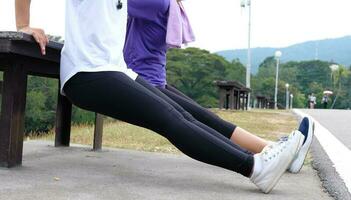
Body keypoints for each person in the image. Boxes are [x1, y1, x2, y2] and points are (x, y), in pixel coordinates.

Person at [16, 0, 310, 194]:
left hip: (115, 70)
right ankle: (256, 167)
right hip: (86, 74)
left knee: (182, 115)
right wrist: (23, 24)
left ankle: (262, 156)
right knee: (170, 119)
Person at [124, 0, 314, 173]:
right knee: (203, 118)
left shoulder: (152, 2)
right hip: (151, 79)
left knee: (194, 120)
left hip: (143, 80)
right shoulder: (166, 3)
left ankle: (272, 156)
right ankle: (274, 152)